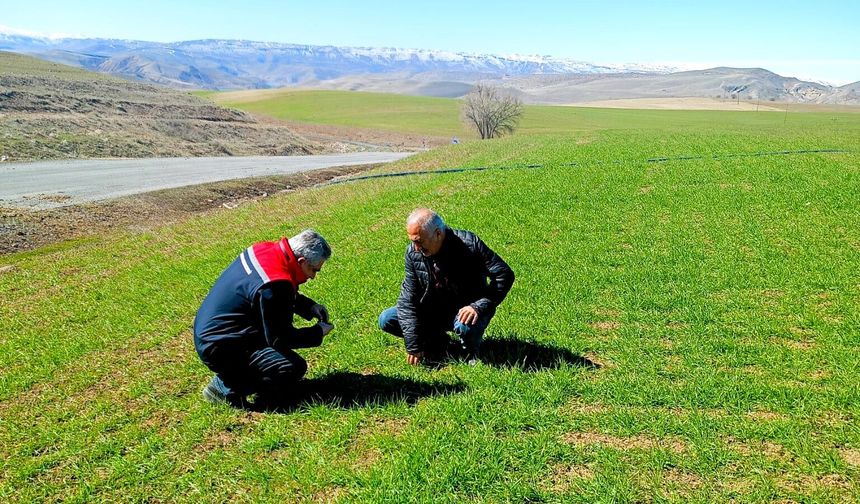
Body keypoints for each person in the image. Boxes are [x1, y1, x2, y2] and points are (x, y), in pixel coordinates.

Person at [194, 229, 333, 407]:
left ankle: (236, 374)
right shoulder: (276, 283)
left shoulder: (265, 250)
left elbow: (274, 295)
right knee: (291, 368)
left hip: (210, 330)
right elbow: (280, 338)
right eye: (313, 270)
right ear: (301, 261)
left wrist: (310, 307)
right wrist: (318, 332)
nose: (313, 277)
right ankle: (224, 387)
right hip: (220, 345)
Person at [379, 209, 514, 365]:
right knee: (387, 319)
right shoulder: (413, 254)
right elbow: (407, 300)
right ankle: (438, 342)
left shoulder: (469, 244)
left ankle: (470, 353)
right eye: (412, 241)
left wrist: (478, 306)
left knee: (466, 325)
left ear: (438, 234)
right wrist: (413, 344)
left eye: (419, 241)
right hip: (434, 310)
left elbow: (504, 274)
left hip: (467, 310)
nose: (415, 247)